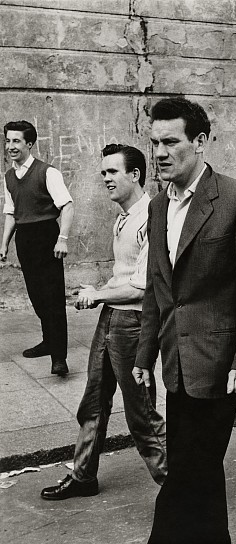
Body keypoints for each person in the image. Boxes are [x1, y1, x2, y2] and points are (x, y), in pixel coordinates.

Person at [132, 97, 236, 544]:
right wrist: (144, 354)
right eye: (154, 142)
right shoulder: (157, 207)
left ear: (200, 141)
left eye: (170, 141)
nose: (158, 152)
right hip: (176, 362)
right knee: (199, 466)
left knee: (188, 471)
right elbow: (160, 287)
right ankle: (215, 540)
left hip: (219, 364)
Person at [40, 144, 167, 500]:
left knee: (141, 415)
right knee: (93, 402)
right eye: (104, 173)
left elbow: (144, 287)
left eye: (112, 172)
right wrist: (99, 291)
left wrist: (97, 295)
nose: (105, 179)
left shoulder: (152, 216)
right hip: (113, 318)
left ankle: (180, 487)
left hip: (134, 324)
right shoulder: (123, 216)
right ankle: (83, 476)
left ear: (135, 175)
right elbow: (124, 276)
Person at [0, 120, 74, 376]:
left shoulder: (48, 172)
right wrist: (4, 244)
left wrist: (62, 238)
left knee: (53, 298)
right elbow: (11, 212)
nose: (11, 146)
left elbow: (66, 206)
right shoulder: (9, 176)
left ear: (29, 144)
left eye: (16, 141)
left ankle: (59, 358)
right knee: (37, 297)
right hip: (25, 239)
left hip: (47, 236)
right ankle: (48, 341)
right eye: (8, 140)